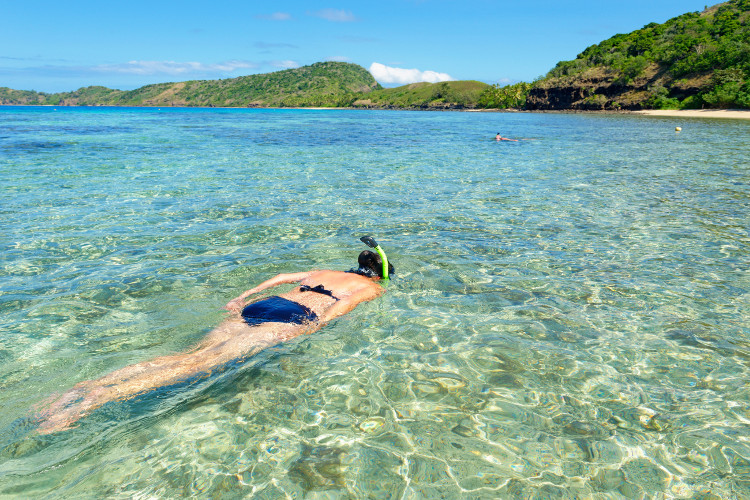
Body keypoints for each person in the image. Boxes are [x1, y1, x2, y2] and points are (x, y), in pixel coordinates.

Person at [35, 238, 394, 434]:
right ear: (378, 276)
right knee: (198, 366)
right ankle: (95, 399)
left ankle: (80, 388)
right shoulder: (371, 288)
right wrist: (310, 329)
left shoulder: (324, 271)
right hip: (292, 317)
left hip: (264, 305)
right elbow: (336, 310)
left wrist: (242, 297)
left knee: (187, 355)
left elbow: (282, 276)